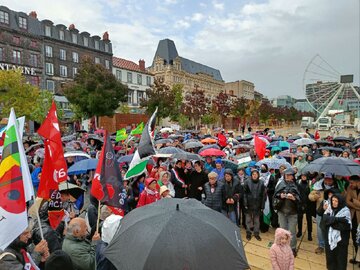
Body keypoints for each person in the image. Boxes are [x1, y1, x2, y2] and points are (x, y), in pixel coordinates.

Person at [308, 172, 338, 254]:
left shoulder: (337, 186)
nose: (328, 181)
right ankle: (321, 246)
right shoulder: (318, 186)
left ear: (333, 179)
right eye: (326, 179)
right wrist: (315, 197)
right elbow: (310, 196)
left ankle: (331, 245)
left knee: (331, 229)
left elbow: (343, 197)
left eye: (330, 179)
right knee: (320, 229)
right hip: (320, 212)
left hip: (332, 213)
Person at [273, 168, 301, 256]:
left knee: (291, 231)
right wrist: (280, 195)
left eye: (290, 175)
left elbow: (300, 200)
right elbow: (275, 195)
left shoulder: (297, 185)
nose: (288, 177)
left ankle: (292, 248)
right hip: (282, 211)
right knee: (282, 230)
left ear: (293, 176)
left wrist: (294, 198)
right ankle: (282, 246)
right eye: (286, 175)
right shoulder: (280, 184)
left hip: (292, 212)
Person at [322, 194, 351, 270]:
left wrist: (331, 221)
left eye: (336, 201)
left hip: (341, 242)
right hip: (329, 240)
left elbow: (343, 226)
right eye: (332, 201)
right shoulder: (329, 209)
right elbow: (324, 221)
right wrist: (337, 219)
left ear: (340, 202)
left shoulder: (345, 211)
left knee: (340, 260)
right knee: (330, 259)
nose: (334, 203)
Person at [243, 170, 266, 241]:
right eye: (253, 174)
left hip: (258, 204)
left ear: (258, 175)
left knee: (257, 220)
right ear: (251, 175)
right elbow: (244, 194)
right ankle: (248, 232)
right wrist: (245, 203)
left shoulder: (261, 183)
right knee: (248, 220)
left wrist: (262, 206)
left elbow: (263, 195)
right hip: (249, 204)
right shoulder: (247, 182)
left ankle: (256, 233)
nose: (254, 175)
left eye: (256, 174)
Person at [346, 175, 360, 264]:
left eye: (352, 183)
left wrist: (354, 201)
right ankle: (357, 257)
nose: (350, 184)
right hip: (353, 216)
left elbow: (351, 201)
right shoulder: (350, 188)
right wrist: (358, 206)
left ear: (358, 182)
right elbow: (347, 201)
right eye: (349, 183)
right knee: (355, 238)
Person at [297, 173, 313, 241]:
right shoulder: (298, 182)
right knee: (299, 218)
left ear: (307, 176)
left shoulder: (310, 183)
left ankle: (309, 234)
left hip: (308, 204)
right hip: (300, 203)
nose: (303, 177)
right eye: (302, 176)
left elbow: (312, 193)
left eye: (305, 176)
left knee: (309, 220)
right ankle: (299, 231)